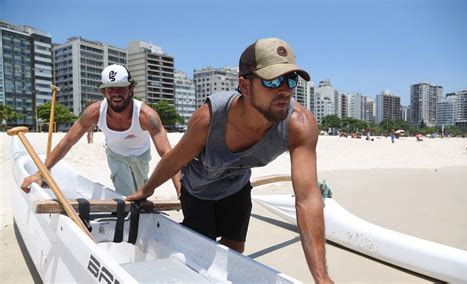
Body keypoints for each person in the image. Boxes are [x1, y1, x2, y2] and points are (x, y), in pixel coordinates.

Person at [126, 38, 332, 282]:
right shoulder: (209, 119)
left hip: (237, 187)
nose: (284, 90)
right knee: (200, 260)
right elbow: (174, 160)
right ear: (244, 86)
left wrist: (322, 278)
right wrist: (145, 190)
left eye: (290, 80)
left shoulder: (300, 125)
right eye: (273, 81)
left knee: (233, 254)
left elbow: (307, 198)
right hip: (198, 191)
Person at [21, 64, 181, 196]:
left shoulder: (147, 116)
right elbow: (67, 142)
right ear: (103, 91)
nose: (116, 93)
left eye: (121, 88)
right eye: (110, 89)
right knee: (126, 194)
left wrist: (181, 191)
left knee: (142, 191)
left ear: (131, 88)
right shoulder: (94, 112)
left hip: (141, 154)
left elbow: (169, 155)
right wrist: (40, 174)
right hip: (115, 155)